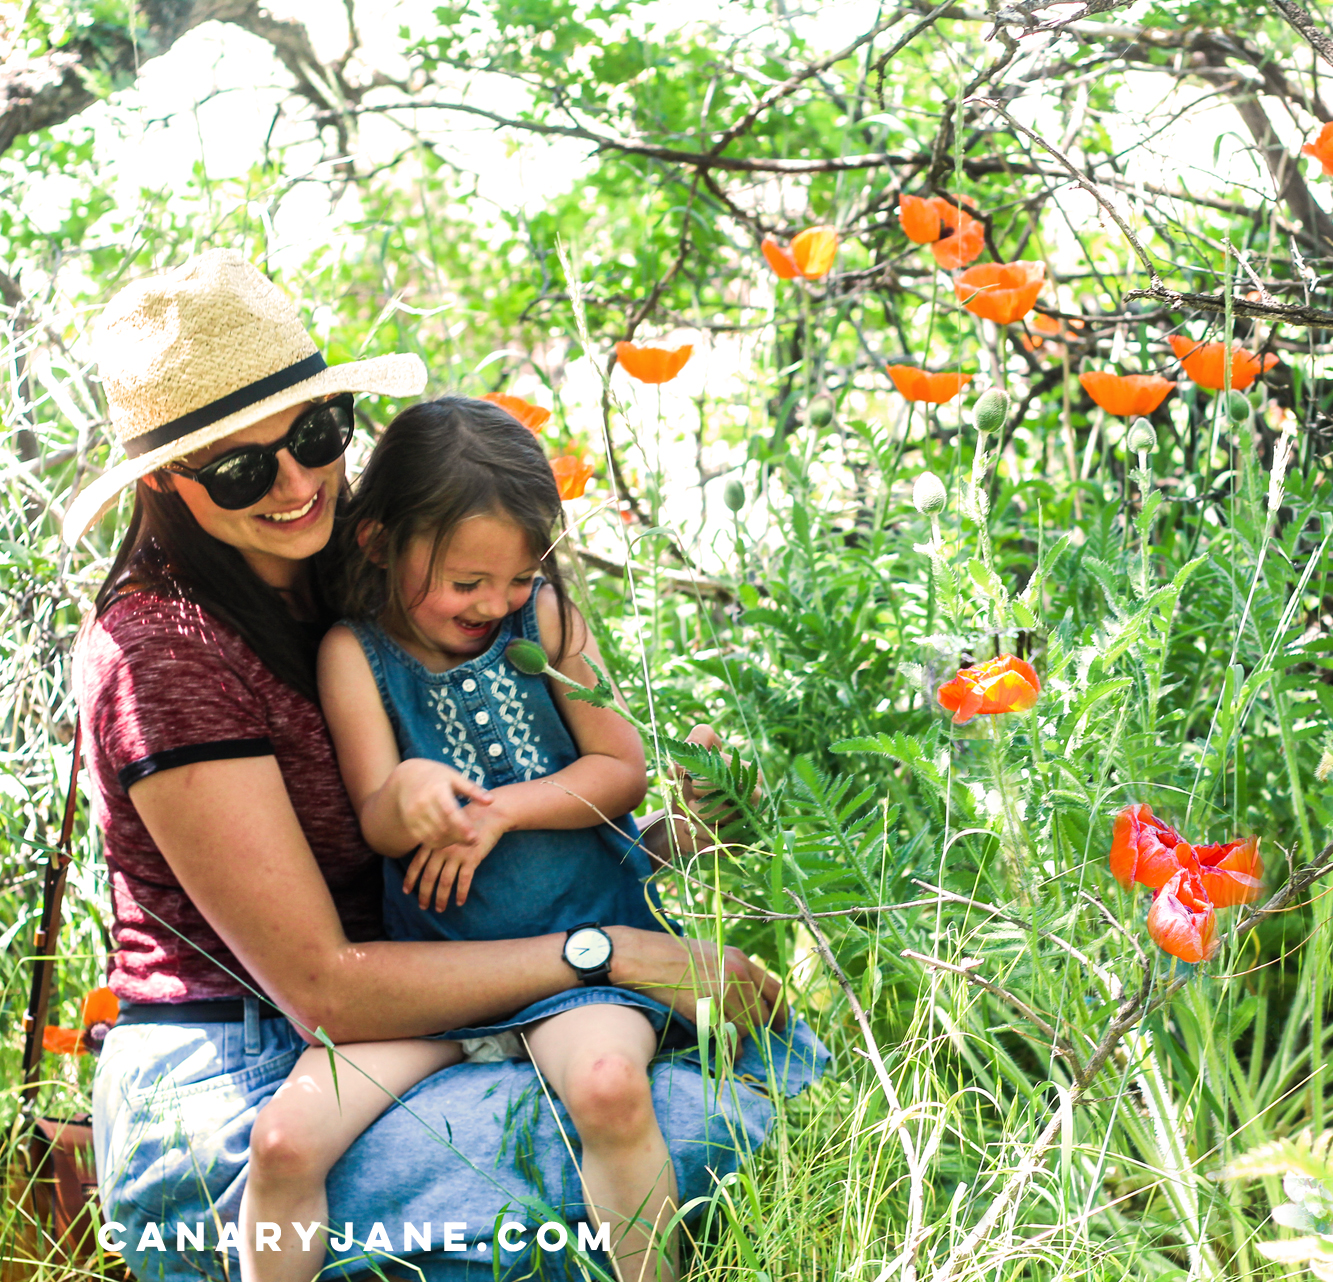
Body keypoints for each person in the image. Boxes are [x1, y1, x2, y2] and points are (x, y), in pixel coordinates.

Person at [66, 250, 829, 1282]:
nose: (295, 484)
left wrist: (660, 832)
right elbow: (323, 990)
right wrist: (613, 950)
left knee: (776, 1092)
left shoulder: (370, 567)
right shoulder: (162, 652)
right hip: (237, 1070)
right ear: (164, 480)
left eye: (313, 435)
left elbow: (513, 800)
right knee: (672, 1140)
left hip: (435, 988)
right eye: (243, 469)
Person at [239, 398, 688, 1282]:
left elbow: (620, 768)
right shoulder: (354, 653)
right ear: (377, 542)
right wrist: (407, 794)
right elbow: (376, 814)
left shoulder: (546, 621)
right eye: (467, 582)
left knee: (607, 1089)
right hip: (440, 983)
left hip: (577, 967)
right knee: (286, 1141)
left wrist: (504, 810)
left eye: (516, 578)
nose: (495, 603)